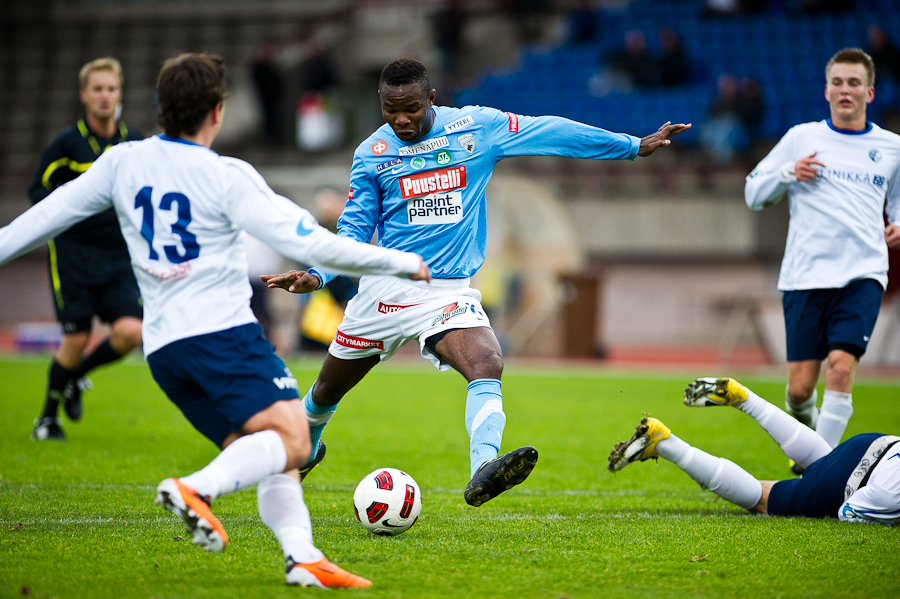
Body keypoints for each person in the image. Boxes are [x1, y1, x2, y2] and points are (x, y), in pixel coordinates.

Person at [0, 53, 429, 588]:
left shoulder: (120, 162)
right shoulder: (227, 175)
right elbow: (311, 242)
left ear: (161, 108)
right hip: (221, 336)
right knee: (297, 439)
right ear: (217, 112)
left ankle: (303, 558)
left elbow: (42, 218)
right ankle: (196, 489)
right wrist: (402, 261)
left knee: (269, 451)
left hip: (162, 348)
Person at [261, 57, 689, 508]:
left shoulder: (475, 128)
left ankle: (483, 468)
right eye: (390, 110)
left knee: (486, 360)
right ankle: (304, 448)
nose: (400, 120)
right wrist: (317, 274)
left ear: (431, 98)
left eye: (410, 108)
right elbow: (354, 226)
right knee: (328, 390)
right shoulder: (373, 152)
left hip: (446, 290)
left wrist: (628, 146)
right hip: (383, 292)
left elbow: (550, 131)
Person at [744, 48, 900, 469]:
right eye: (837, 82)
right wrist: (789, 172)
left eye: (854, 83)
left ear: (869, 91)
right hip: (805, 275)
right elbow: (753, 192)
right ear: (826, 89)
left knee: (841, 368)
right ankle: (811, 442)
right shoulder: (802, 138)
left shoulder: (891, 147)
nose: (845, 90)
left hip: (863, 273)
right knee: (798, 390)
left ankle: (818, 470)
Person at [28, 57, 144, 442]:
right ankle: (47, 419)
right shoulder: (67, 143)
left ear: (120, 93)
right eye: (97, 89)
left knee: (131, 332)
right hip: (73, 254)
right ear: (84, 95)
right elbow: (38, 190)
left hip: (118, 255)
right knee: (75, 339)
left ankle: (75, 377)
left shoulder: (134, 142)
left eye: (111, 88)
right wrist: (70, 207)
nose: (105, 95)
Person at [609, 377, 900, 525]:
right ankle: (664, 443)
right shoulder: (892, 494)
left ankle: (746, 398)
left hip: (874, 443)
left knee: (824, 460)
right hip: (856, 482)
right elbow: (849, 512)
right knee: (762, 499)